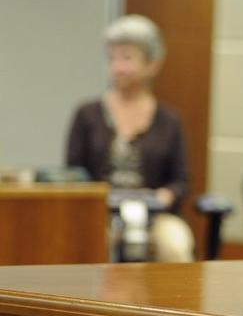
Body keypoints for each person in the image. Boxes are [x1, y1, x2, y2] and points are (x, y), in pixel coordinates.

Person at [66, 14, 195, 262]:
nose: (118, 67)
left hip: (155, 216)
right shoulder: (87, 114)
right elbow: (73, 174)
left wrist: (165, 196)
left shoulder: (170, 121)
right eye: (112, 58)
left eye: (126, 58)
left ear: (152, 64)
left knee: (175, 246)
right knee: (87, 245)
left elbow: (181, 181)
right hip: (100, 215)